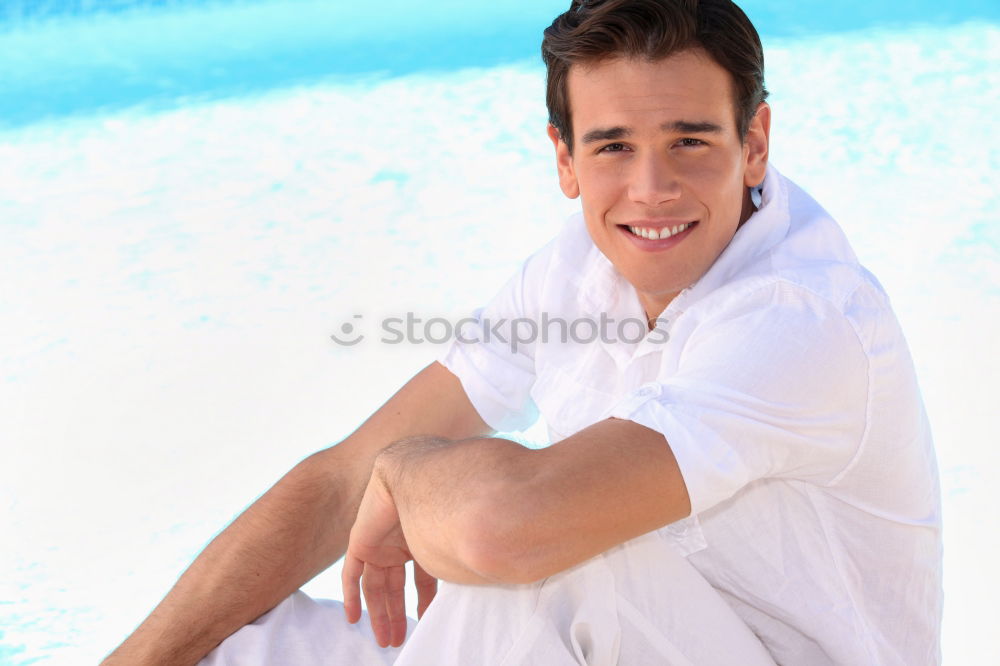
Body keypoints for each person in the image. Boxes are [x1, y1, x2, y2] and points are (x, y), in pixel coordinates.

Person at [102, 1, 943, 664]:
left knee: (556, 561)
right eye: (614, 146)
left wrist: (409, 471)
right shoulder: (572, 271)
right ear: (565, 159)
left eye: (690, 141)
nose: (652, 189)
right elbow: (337, 484)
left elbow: (504, 530)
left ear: (754, 143)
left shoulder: (799, 320)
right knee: (231, 643)